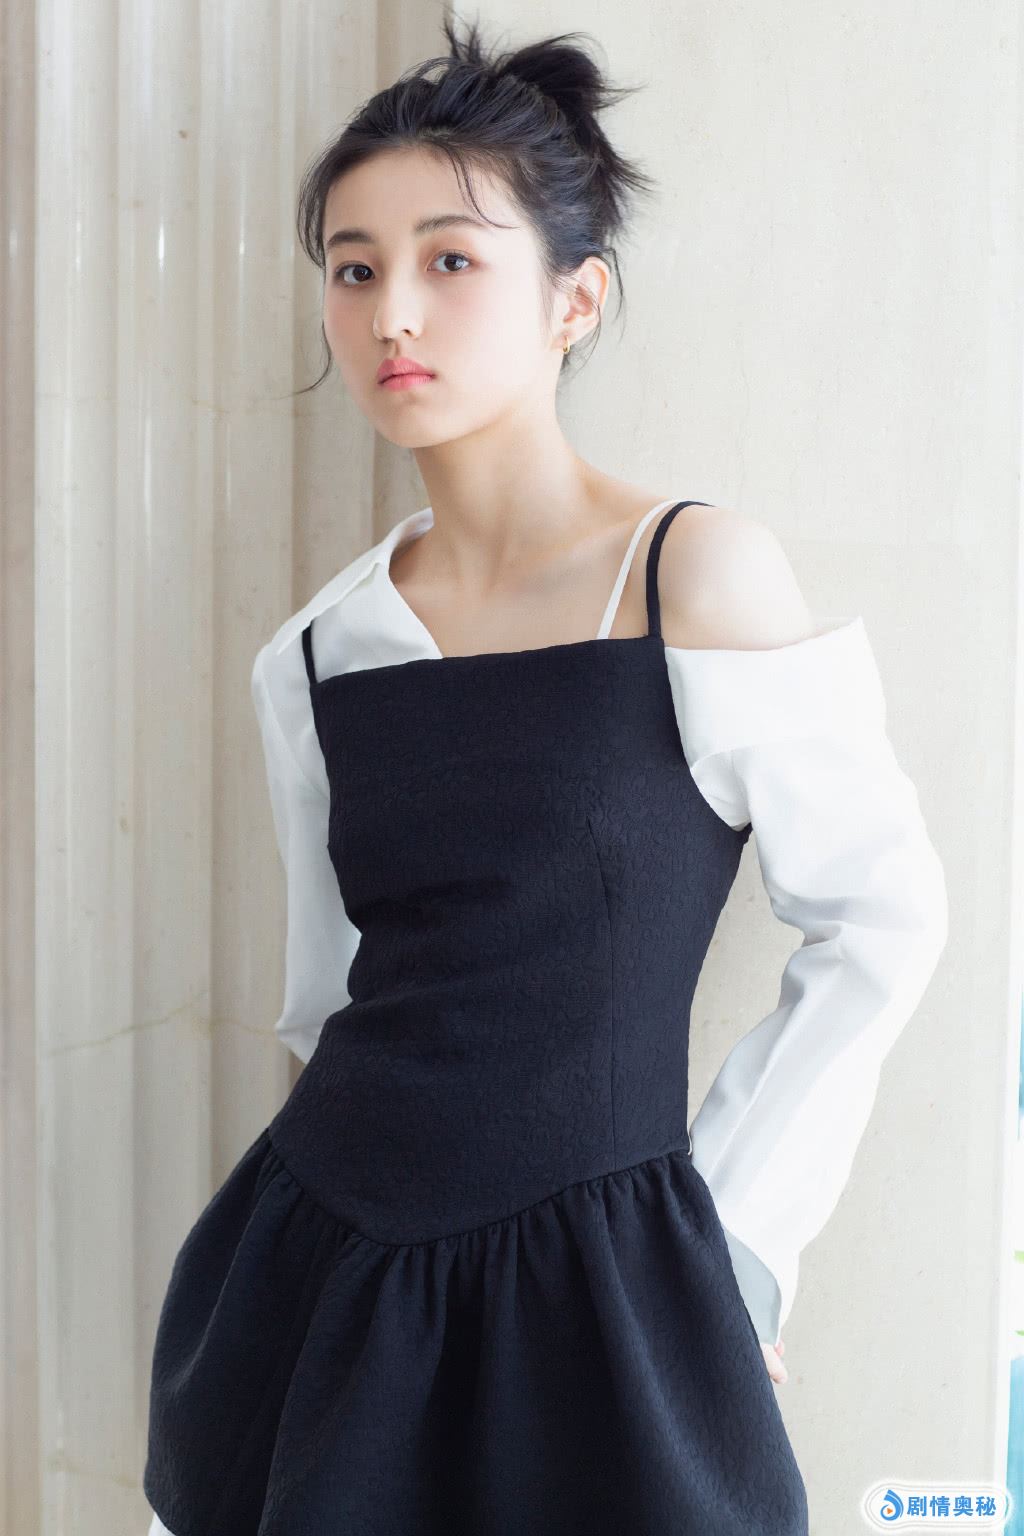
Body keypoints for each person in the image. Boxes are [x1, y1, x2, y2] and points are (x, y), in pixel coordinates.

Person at [142, 16, 948, 1536]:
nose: (392, 310)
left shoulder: (690, 573)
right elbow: (325, 1003)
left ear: (575, 298)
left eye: (450, 259)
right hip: (325, 1270)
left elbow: (881, 920)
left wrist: (737, 1245)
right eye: (354, 268)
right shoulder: (317, 652)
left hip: (609, 1282)